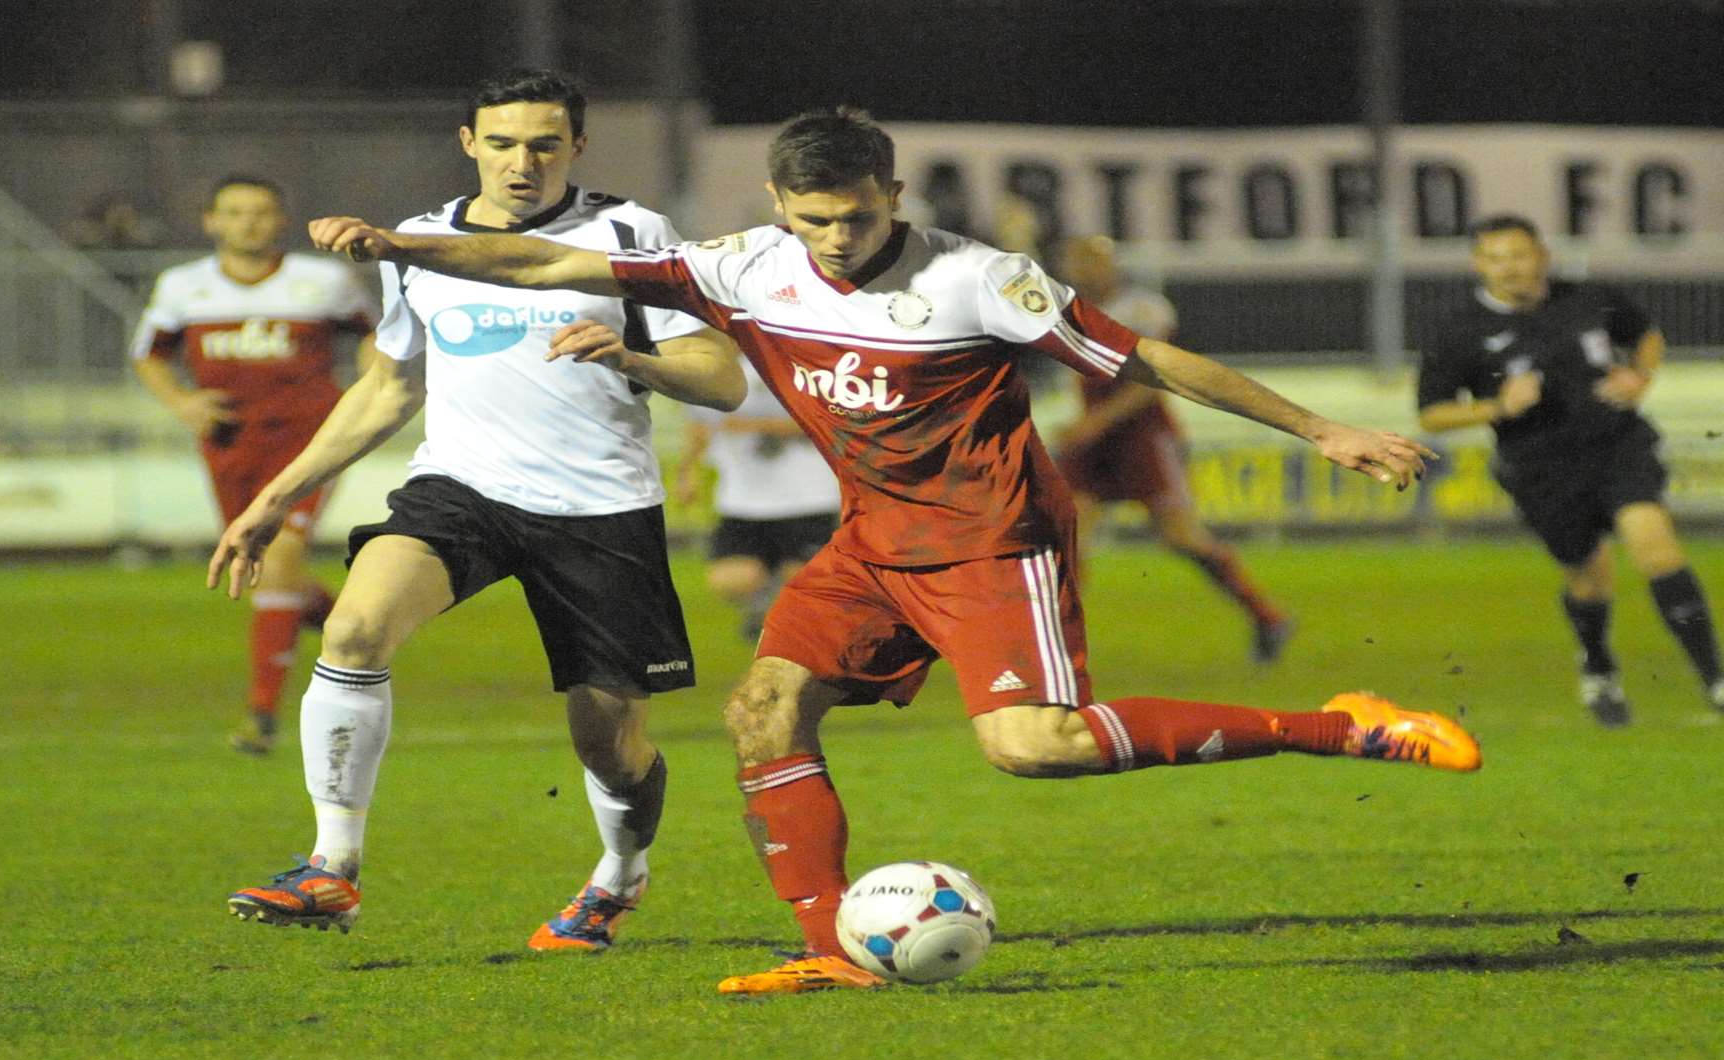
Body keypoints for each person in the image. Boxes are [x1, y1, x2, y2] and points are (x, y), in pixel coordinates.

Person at [303, 106, 1481, 995]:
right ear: (778, 203)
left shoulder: (980, 278)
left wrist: (1325, 428)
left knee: (1036, 750)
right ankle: (832, 951)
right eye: (813, 218)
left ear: (893, 193)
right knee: (763, 711)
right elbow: (549, 262)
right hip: (870, 543)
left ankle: (1341, 724)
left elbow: (1149, 363)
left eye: (857, 216)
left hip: (989, 542)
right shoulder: (746, 264)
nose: (835, 238)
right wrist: (402, 250)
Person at [207, 70, 746, 950]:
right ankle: (331, 868)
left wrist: (630, 359)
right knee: (352, 632)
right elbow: (388, 388)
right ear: (469, 144)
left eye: (543, 143)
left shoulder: (630, 234)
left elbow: (721, 379)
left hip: (600, 508)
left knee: (609, 745)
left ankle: (619, 874)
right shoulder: (415, 244)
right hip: (462, 490)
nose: (521, 162)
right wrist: (275, 497)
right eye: (501, 143)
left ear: (577, 146)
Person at [1419, 214, 1723, 727]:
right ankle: (1599, 667)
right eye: (1496, 259)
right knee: (1589, 577)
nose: (1510, 268)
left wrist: (1639, 375)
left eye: (1518, 255)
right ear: (1478, 265)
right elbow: (1432, 413)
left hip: (1617, 445)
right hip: (1540, 468)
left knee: (1655, 546)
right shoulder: (1459, 333)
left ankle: (1714, 678)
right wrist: (1498, 407)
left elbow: (1646, 335)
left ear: (1541, 255)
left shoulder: (1588, 299)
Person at [131, 175, 378, 754]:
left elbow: (375, 336)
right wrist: (183, 403)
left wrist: (366, 391)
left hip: (309, 443)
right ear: (209, 221)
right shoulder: (183, 286)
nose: (248, 223)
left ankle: (261, 713)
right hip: (230, 443)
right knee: (267, 567)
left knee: (282, 554)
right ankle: (357, 627)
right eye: (234, 212)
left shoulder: (323, 281)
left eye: (261, 212)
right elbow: (149, 355)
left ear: (282, 221)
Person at [1052, 235, 1291, 662]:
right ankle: (1062, 649)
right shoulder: (1066, 309)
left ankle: (1267, 616)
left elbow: (1151, 382)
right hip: (1093, 438)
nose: (1085, 269)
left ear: (1112, 265)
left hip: (1142, 436)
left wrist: (1094, 422)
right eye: (1077, 261)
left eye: (1093, 260)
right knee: (1068, 533)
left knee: (1181, 537)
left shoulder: (1145, 310)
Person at [674, 363, 842, 640]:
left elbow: (831, 421)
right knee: (730, 580)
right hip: (743, 500)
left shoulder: (807, 364)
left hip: (809, 498)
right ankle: (767, 603)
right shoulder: (722, 369)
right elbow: (700, 423)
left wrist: (753, 424)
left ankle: (781, 620)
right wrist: (687, 471)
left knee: (808, 585)